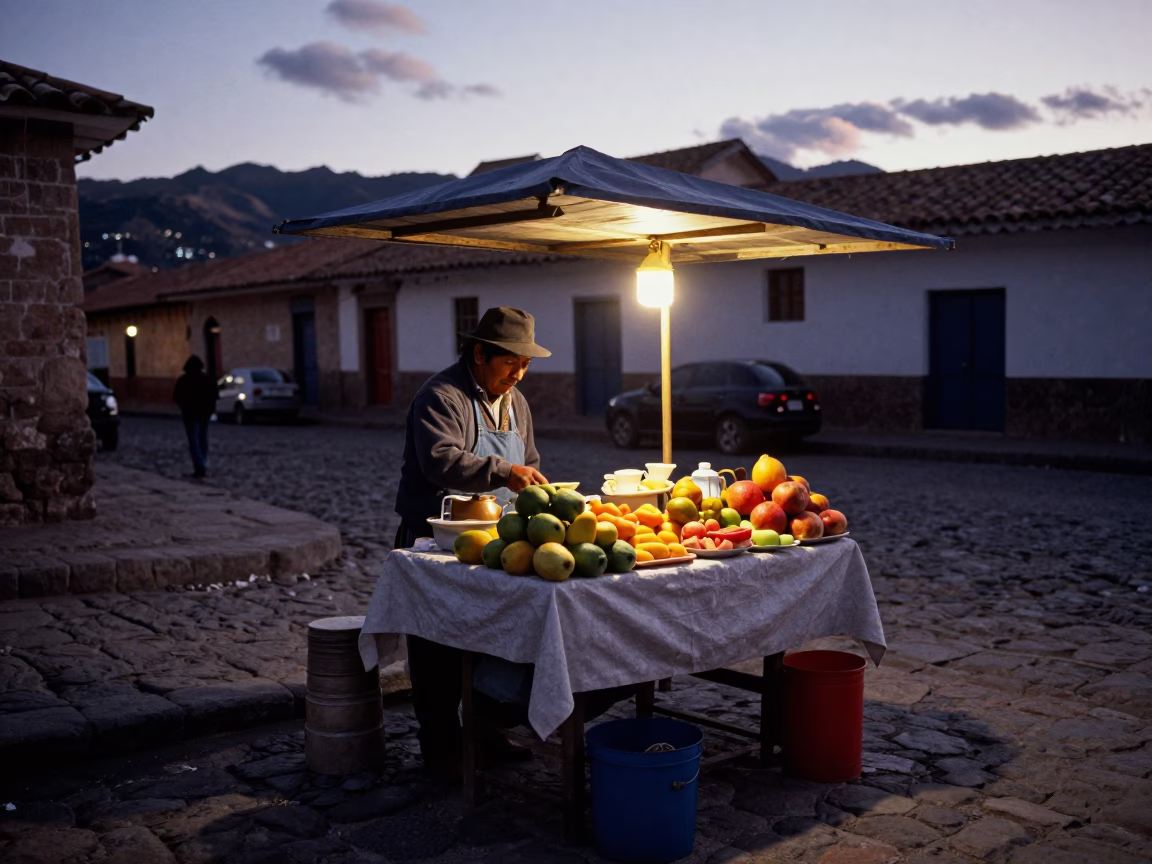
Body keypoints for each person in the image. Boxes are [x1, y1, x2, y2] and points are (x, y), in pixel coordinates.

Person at [393, 307, 550, 778]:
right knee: (436, 648)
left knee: (494, 640)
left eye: (525, 365)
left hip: (495, 542)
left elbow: (530, 461)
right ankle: (439, 748)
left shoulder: (516, 402)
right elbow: (440, 460)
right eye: (510, 364)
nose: (518, 374)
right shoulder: (441, 396)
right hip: (435, 542)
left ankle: (488, 733)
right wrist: (505, 471)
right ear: (479, 354)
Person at [173, 355, 218, 479]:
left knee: (194, 440)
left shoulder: (183, 380)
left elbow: (176, 396)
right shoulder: (207, 380)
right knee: (202, 438)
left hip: (190, 414)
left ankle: (199, 465)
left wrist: (184, 406)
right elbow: (215, 395)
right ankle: (202, 462)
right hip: (203, 413)